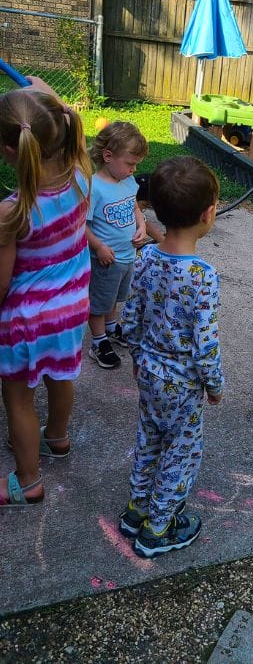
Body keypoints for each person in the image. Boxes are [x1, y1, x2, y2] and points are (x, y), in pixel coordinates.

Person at [119, 155, 224, 559]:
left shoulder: (146, 256)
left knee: (149, 439)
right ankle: (157, 529)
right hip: (182, 384)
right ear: (208, 214)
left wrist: (136, 359)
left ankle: (137, 510)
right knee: (181, 451)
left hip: (147, 370)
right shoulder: (202, 275)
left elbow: (130, 318)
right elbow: (206, 343)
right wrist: (214, 385)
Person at [0, 77, 92, 506]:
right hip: (71, 309)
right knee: (61, 374)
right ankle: (57, 437)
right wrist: (50, 99)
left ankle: (29, 480)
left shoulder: (12, 210)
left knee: (18, 398)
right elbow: (68, 128)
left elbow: (2, 283)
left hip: (27, 320)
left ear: (9, 151)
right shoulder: (83, 176)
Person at [86, 122, 148, 369]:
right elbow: (81, 224)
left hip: (126, 256)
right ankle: (98, 342)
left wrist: (141, 226)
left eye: (136, 165)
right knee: (99, 302)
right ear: (108, 156)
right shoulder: (94, 187)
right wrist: (99, 247)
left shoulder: (127, 182)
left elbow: (135, 208)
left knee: (113, 298)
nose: (134, 170)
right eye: (130, 164)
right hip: (104, 259)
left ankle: (111, 329)